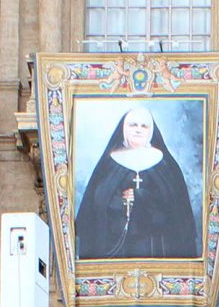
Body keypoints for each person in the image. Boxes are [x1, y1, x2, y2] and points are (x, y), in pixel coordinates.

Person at [73, 104, 199, 260]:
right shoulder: (110, 162)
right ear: (124, 128)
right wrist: (119, 203)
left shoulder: (164, 163)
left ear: (150, 130)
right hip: (117, 242)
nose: (138, 130)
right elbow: (97, 202)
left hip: (154, 243)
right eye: (133, 125)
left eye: (144, 126)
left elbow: (175, 207)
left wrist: (140, 196)